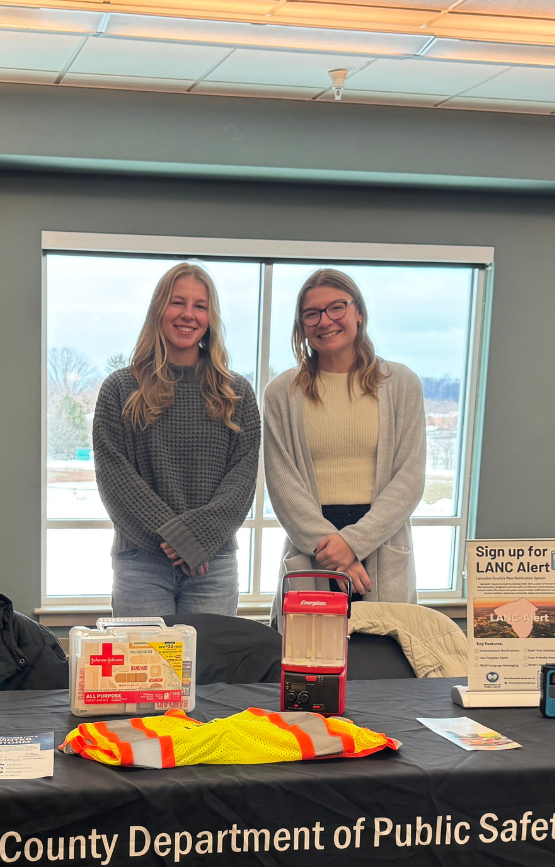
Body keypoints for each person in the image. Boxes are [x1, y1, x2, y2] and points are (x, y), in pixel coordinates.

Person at [92, 262, 260, 617]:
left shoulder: (237, 393)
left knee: (211, 672)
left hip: (214, 564)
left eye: (200, 306)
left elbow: (242, 482)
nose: (188, 315)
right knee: (144, 673)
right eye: (177, 302)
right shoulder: (121, 388)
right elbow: (116, 482)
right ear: (158, 310)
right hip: (141, 563)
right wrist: (183, 542)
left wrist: (199, 540)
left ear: (211, 317)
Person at [263, 268, 425, 616]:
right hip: (313, 547)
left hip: (382, 541)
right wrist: (333, 550)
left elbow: (410, 479)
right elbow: (283, 486)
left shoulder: (401, 384)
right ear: (301, 325)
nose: (325, 321)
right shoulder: (282, 393)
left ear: (359, 312)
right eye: (312, 314)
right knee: (310, 663)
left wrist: (352, 543)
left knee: (386, 661)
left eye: (337, 307)